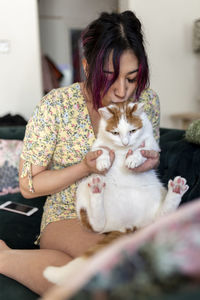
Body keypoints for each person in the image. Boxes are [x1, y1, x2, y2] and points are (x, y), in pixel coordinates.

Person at [0, 10, 160, 296]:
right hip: (70, 214)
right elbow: (28, 186)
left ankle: (4, 258)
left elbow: (150, 154)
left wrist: (150, 160)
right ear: (87, 66)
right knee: (117, 272)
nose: (122, 91)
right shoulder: (56, 106)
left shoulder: (146, 101)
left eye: (132, 78)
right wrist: (85, 168)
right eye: (110, 77)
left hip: (126, 212)